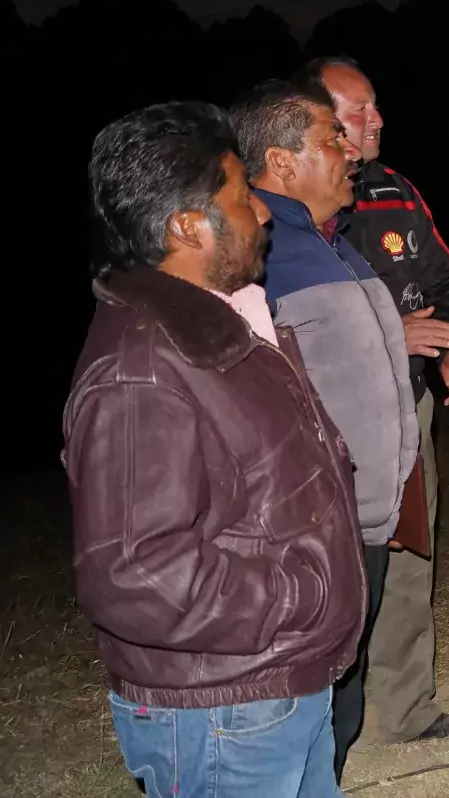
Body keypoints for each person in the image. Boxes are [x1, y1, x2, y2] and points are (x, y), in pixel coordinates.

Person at [63, 102, 367, 798]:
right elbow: (136, 571)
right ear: (185, 225)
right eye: (242, 196)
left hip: (270, 686)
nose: (262, 214)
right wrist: (300, 594)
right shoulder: (141, 367)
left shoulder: (223, 324)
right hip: (224, 710)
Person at [230, 79, 421, 780]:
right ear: (281, 162)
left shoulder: (332, 240)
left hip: (363, 516)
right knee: (309, 699)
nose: (348, 149)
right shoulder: (257, 253)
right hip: (315, 524)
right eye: (328, 139)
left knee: (344, 688)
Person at [312, 55, 449, 745]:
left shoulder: (395, 192)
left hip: (406, 407)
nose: (375, 119)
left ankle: (407, 712)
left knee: (411, 550)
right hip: (329, 418)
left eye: (374, 105)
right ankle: (322, 726)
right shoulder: (293, 220)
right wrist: (391, 331)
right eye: (357, 110)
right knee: (336, 566)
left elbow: (448, 278)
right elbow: (296, 323)